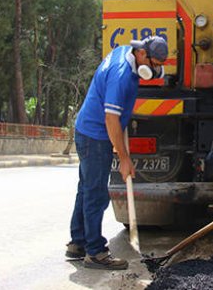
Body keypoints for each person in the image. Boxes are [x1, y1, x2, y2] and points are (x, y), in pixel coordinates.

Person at [65, 36, 168, 269]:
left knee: (86, 189)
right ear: (142, 55)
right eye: (155, 64)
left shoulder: (125, 51)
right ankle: (95, 252)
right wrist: (124, 158)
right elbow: (111, 118)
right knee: (96, 193)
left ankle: (78, 242)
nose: (156, 70)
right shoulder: (121, 75)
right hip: (95, 135)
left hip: (86, 129)